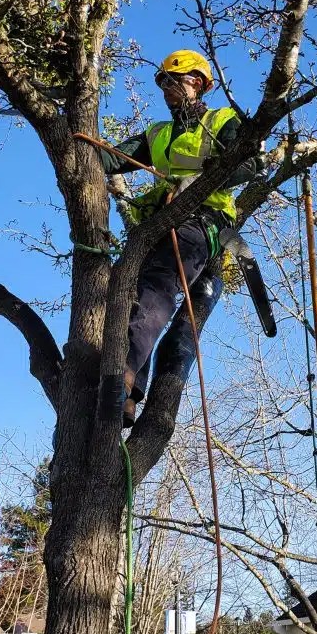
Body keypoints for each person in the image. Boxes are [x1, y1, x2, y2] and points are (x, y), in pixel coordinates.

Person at [100, 49, 263, 426]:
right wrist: (79, 143)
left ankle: (122, 375)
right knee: (127, 291)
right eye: (164, 84)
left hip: (202, 221)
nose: (168, 90)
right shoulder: (158, 133)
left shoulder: (222, 121)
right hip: (160, 222)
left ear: (199, 83)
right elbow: (111, 158)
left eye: (176, 81)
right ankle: (129, 393)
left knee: (156, 287)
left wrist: (199, 180)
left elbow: (251, 164)